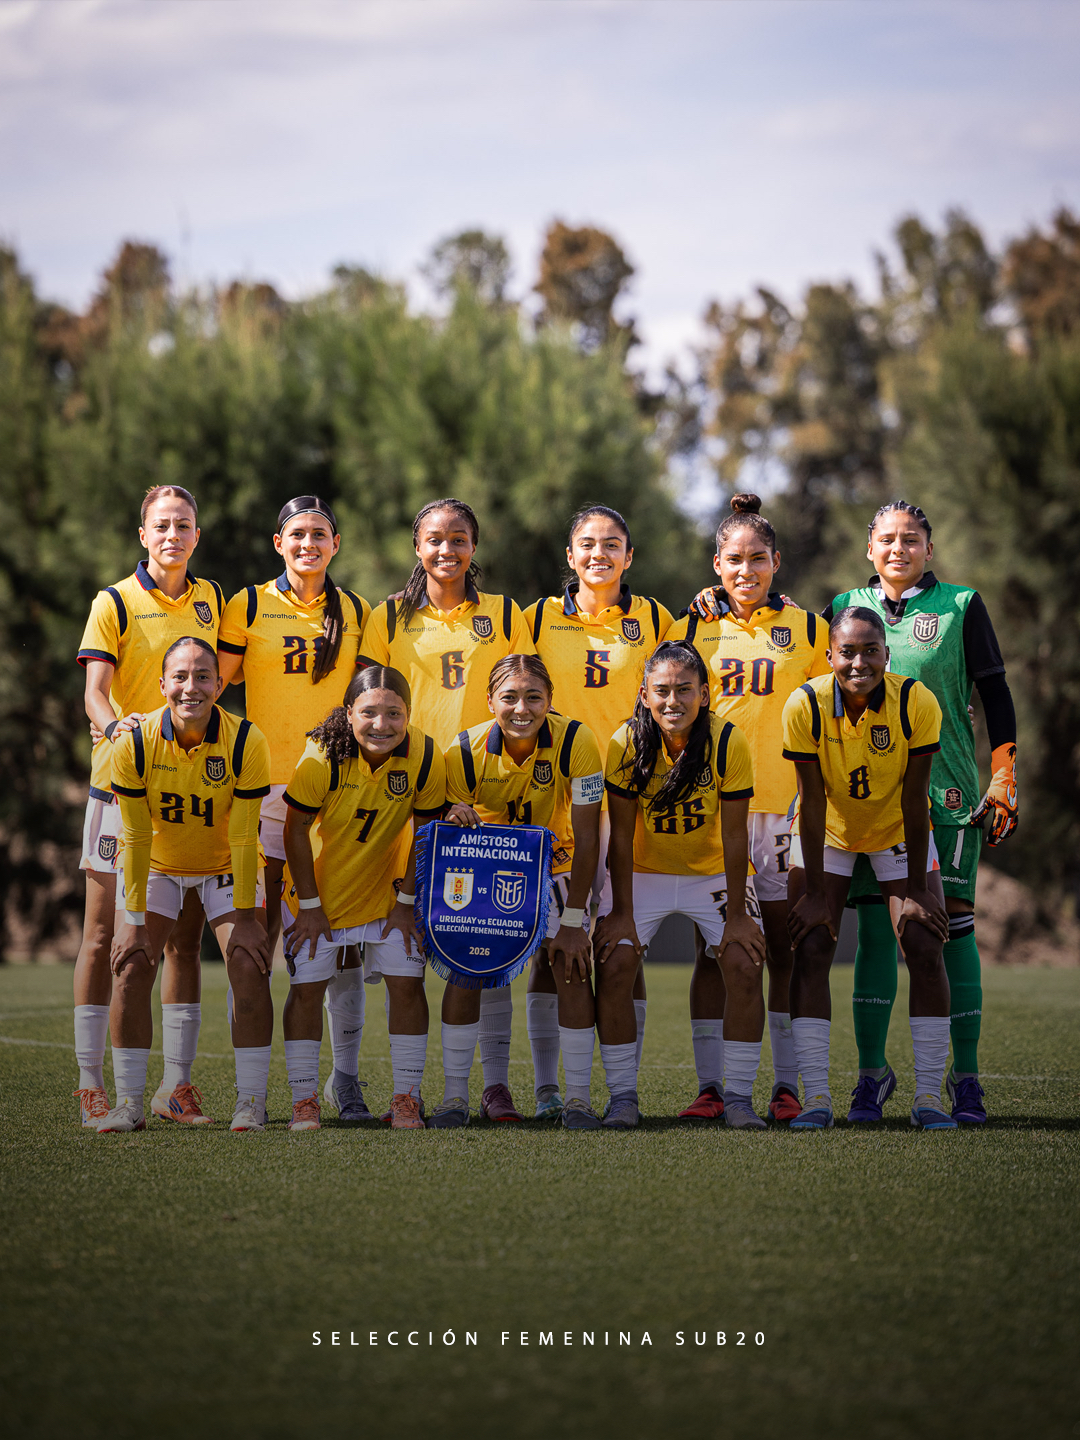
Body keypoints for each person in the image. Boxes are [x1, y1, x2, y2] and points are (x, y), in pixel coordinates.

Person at [824, 502, 1017, 1125]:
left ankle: (965, 1079)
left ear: (929, 549)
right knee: (878, 930)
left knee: (949, 924)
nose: (898, 548)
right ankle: (871, 1076)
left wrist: (1006, 771)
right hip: (865, 799)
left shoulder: (961, 606)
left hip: (948, 793)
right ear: (869, 548)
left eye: (911, 539)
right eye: (887, 539)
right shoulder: (844, 604)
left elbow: (995, 691)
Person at [362, 499, 535, 1109]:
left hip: (479, 804)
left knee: (486, 944)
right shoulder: (386, 617)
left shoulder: (506, 614)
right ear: (417, 546)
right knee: (374, 943)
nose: (446, 550)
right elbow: (369, 705)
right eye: (435, 539)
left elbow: (521, 698)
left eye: (458, 539)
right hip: (401, 797)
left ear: (474, 547)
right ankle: (347, 1083)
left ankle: (490, 1086)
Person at [669, 493, 830, 1124]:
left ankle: (787, 1085)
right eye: (733, 560)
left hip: (786, 813)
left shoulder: (809, 629)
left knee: (785, 949)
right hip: (717, 813)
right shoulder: (693, 626)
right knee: (716, 949)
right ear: (715, 564)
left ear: (777, 562)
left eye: (757, 559)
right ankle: (711, 1086)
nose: (745, 571)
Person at [216, 496, 372, 1121]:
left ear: (337, 543)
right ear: (277, 542)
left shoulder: (357, 610)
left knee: (341, 941)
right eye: (297, 535)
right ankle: (251, 1093)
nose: (309, 544)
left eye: (320, 535)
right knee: (257, 944)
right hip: (259, 793)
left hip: (331, 797)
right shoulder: (246, 605)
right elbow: (207, 683)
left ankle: (344, 1079)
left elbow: (366, 706)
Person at [75, 484, 223, 1128]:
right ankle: (91, 1085)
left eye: (183, 525)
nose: (172, 535)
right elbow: (95, 694)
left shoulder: (212, 599)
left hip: (191, 792)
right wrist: (117, 733)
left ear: (196, 534)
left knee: (184, 944)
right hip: (121, 787)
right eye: (161, 524)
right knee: (106, 935)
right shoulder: (113, 601)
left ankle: (176, 1087)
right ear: (143, 534)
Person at [522, 505, 672, 1119]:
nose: (599, 555)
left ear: (629, 557)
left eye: (612, 544)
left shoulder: (656, 618)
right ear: (569, 555)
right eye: (587, 544)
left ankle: (622, 1088)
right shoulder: (535, 619)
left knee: (618, 943)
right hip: (550, 796)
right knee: (544, 945)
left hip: (626, 798)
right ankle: (547, 1087)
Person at [782, 606, 955, 1130]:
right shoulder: (805, 704)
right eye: (847, 652)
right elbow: (811, 804)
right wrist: (814, 891)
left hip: (896, 830)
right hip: (828, 830)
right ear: (830, 655)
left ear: (886, 653)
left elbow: (915, 797)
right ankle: (817, 1098)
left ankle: (928, 1097)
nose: (859, 662)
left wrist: (922, 889)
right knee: (812, 945)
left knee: (925, 944)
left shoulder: (915, 701)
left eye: (871, 650)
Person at [99, 637, 272, 1133]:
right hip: (157, 862)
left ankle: (251, 1102)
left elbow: (242, 835)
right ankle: (131, 1101)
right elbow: (132, 835)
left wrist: (244, 918)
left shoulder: (245, 740)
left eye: (202, 677)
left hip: (223, 862)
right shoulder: (133, 742)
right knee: (131, 964)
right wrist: (131, 922)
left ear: (220, 684)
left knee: (248, 962)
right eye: (179, 677)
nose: (190, 687)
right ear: (162, 685)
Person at [596, 641, 766, 1129]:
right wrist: (622, 912)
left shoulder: (728, 740)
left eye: (685, 690)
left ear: (705, 694)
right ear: (644, 694)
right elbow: (622, 834)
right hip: (645, 872)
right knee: (614, 964)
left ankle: (736, 1098)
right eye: (663, 691)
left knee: (744, 964)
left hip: (710, 871)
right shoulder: (626, 741)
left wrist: (737, 915)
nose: (673, 701)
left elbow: (735, 834)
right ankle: (623, 1097)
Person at [437, 654, 603, 1128]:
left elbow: (589, 838)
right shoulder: (464, 750)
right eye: (509, 697)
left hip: (556, 863)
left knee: (570, 966)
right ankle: (458, 1096)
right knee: (468, 970)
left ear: (550, 700)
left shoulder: (577, 740)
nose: (521, 708)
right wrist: (454, 811)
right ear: (490, 701)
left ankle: (573, 1097)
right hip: (489, 870)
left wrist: (573, 920)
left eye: (534, 697)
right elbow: (448, 825)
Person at [280, 667, 445, 1131]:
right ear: (348, 712)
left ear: (408, 715)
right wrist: (310, 909)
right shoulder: (323, 753)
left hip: (387, 892)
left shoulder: (427, 755)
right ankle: (304, 1100)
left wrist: (407, 902)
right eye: (369, 712)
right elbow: (293, 831)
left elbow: (427, 834)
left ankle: (406, 1098)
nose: (381, 724)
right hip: (320, 894)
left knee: (408, 982)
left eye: (394, 714)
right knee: (308, 989)